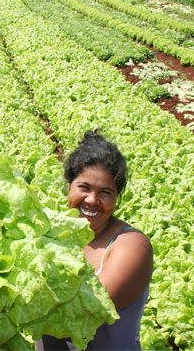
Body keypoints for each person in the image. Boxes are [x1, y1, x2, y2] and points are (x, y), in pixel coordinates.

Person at [39, 129, 153, 351]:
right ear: (69, 185)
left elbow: (88, 307)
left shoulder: (132, 244)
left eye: (105, 192)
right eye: (84, 187)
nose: (92, 200)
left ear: (117, 196)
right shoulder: (53, 232)